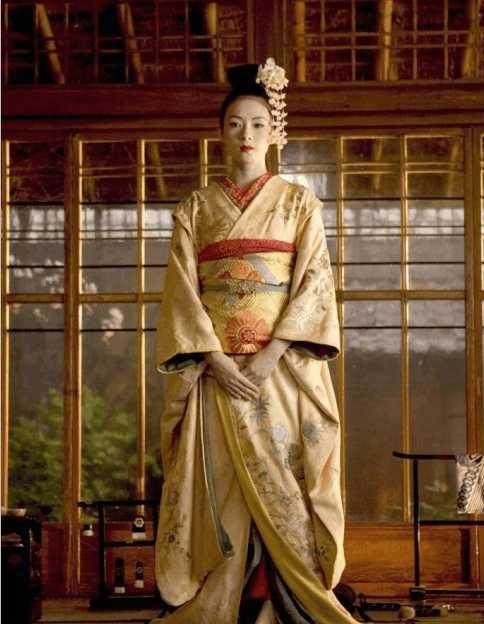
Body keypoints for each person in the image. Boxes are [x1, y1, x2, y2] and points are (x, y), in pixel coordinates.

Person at [151, 59, 357, 624]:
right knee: (221, 487)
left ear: (275, 132)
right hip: (216, 373)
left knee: (287, 484)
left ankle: (281, 601)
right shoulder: (195, 208)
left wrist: (272, 353)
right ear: (221, 132)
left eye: (259, 124)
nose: (247, 134)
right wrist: (215, 358)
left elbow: (314, 282)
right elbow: (182, 291)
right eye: (236, 124)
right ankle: (229, 602)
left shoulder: (298, 203)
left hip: (280, 369)